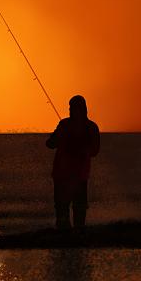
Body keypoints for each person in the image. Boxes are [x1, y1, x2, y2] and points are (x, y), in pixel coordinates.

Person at [45, 95, 100, 231]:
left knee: (78, 210)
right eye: (70, 108)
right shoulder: (65, 125)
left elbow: (94, 150)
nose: (71, 110)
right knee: (62, 210)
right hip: (63, 174)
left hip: (78, 175)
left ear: (82, 109)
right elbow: (50, 143)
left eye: (74, 108)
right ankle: (66, 237)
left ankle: (75, 238)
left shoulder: (90, 127)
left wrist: (80, 147)